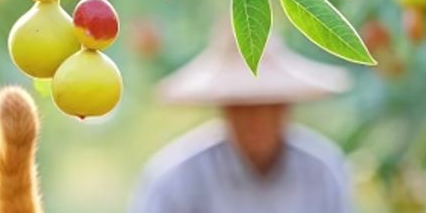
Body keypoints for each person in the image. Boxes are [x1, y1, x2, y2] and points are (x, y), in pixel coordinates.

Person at [131, 27, 355, 212]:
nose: (255, 121)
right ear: (225, 110)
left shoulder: (322, 171)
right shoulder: (175, 179)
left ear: (286, 107)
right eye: (242, 108)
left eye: (267, 106)